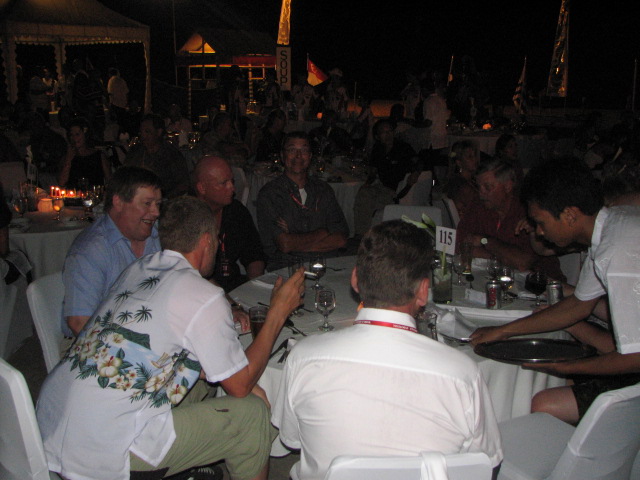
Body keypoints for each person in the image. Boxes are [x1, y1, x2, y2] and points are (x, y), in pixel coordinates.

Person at [37, 195, 306, 480]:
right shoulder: (203, 295)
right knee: (251, 414)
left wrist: (236, 377)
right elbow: (240, 386)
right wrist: (277, 312)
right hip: (106, 450)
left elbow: (162, 344)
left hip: (53, 424)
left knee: (202, 382)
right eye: (216, 240)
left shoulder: (140, 268)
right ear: (207, 240)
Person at [272, 220, 503, 480]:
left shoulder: (304, 357)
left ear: (355, 280)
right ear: (423, 292)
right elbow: (487, 464)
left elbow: (291, 440)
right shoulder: (462, 374)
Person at [471, 159, 640, 425]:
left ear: (570, 215)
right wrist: (503, 331)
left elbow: (634, 356)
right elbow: (578, 306)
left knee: (544, 402)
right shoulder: (611, 226)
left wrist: (565, 367)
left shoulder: (617, 251)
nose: (539, 232)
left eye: (541, 222)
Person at [62, 166, 162, 337]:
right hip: (101, 342)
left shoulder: (157, 235)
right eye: (147, 203)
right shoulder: (91, 250)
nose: (156, 212)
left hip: (150, 330)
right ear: (118, 202)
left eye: (158, 204)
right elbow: (79, 323)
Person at [456, 157, 564, 280]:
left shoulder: (528, 211)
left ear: (507, 186)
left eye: (488, 187)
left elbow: (523, 263)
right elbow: (461, 245)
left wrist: (484, 241)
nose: (481, 193)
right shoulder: (478, 205)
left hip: (540, 281)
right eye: (478, 187)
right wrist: (501, 257)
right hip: (494, 277)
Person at [257, 131, 349, 270]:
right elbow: (285, 244)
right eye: (292, 150)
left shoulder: (323, 190)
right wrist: (323, 232)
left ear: (310, 156)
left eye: (304, 150)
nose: (298, 156)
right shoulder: (270, 194)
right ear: (282, 155)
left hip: (325, 265)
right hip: (287, 268)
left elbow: (341, 240)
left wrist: (295, 240)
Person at [195, 155, 265, 292]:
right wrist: (226, 300)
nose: (232, 187)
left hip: (235, 286)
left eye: (232, 181)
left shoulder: (235, 210)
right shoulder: (187, 217)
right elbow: (191, 272)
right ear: (202, 188)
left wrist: (254, 287)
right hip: (202, 290)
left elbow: (254, 254)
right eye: (224, 183)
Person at [124, 114, 190, 198]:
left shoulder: (171, 154)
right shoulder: (136, 152)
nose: (143, 136)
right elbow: (125, 176)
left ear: (158, 132)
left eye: (147, 132)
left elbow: (183, 184)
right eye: (141, 132)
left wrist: (165, 199)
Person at [57, 116, 111, 189]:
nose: (74, 138)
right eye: (71, 135)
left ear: (85, 135)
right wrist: (68, 160)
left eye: (77, 134)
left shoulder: (99, 156)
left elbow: (110, 181)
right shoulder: (67, 158)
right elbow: (61, 183)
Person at [444, 140, 480, 218]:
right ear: (459, 163)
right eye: (470, 157)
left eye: (475, 156)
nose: (475, 160)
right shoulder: (462, 186)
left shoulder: (470, 180)